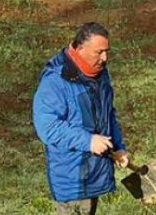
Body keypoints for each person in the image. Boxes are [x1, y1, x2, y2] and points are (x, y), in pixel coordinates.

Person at [32, 22, 129, 215]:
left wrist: (118, 147)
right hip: (72, 178)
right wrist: (88, 140)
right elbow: (47, 127)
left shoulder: (99, 74)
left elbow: (107, 113)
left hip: (94, 172)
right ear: (80, 48)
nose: (105, 58)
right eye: (98, 52)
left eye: (106, 51)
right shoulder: (56, 80)